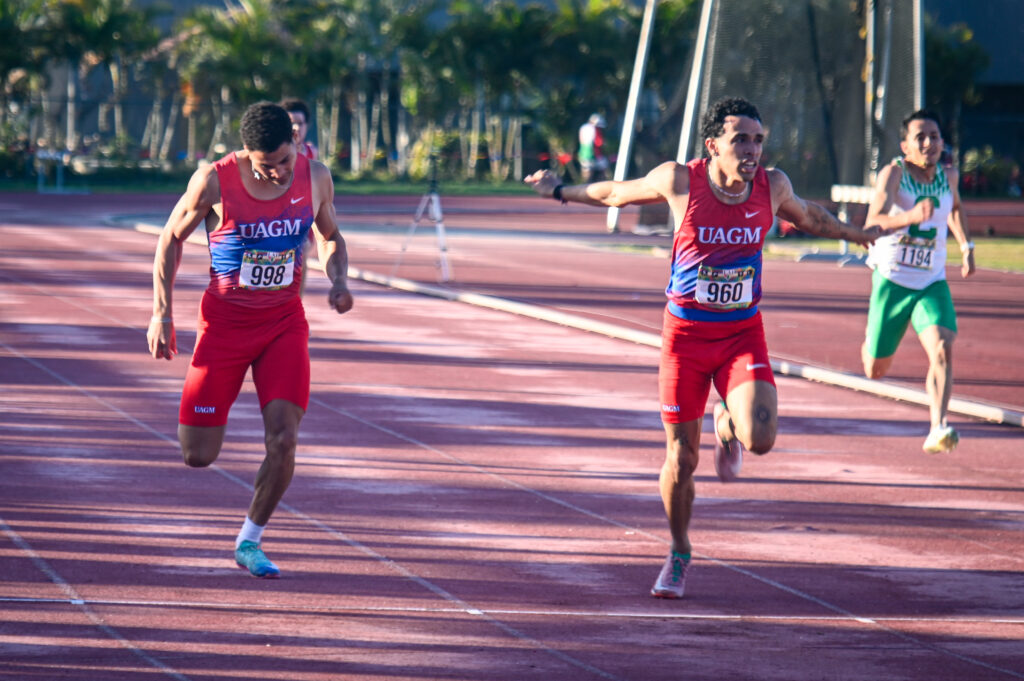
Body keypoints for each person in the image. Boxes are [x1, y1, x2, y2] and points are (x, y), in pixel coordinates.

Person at [525, 97, 879, 599]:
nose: (752, 149)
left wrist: (857, 233)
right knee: (681, 458)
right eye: (741, 140)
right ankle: (678, 551)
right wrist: (558, 190)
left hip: (741, 334)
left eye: (758, 139)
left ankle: (727, 424)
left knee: (761, 439)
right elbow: (614, 194)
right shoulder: (679, 181)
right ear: (713, 145)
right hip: (686, 340)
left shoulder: (772, 186)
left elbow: (812, 218)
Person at [147, 101, 353, 578]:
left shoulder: (315, 176)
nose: (279, 173)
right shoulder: (214, 180)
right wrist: (162, 313)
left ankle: (249, 540)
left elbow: (330, 235)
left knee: (284, 440)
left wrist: (338, 279)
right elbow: (170, 239)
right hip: (224, 328)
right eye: (267, 166)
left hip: (283, 324)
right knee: (198, 456)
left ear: (297, 143)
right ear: (246, 154)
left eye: (285, 160)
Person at [861, 110, 975, 454]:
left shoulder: (949, 176)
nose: (929, 143)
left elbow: (954, 208)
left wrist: (966, 246)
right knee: (875, 371)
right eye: (920, 137)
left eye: (935, 137)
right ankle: (871, 340)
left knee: (942, 347)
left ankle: (938, 426)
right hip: (892, 280)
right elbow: (872, 221)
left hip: (931, 282)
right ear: (905, 145)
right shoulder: (894, 174)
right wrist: (910, 216)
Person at [578, 113, 609, 182]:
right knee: (603, 172)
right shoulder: (594, 129)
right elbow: (599, 142)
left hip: (583, 154)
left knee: (586, 176)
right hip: (594, 155)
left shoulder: (583, 127)